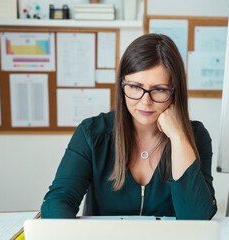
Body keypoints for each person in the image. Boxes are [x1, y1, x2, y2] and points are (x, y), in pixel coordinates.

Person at [41, 33, 217, 220]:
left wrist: (179, 137)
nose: (145, 101)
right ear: (122, 85)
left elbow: (197, 218)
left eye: (159, 89)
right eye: (135, 87)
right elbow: (58, 201)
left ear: (175, 91)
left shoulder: (196, 137)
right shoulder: (92, 133)